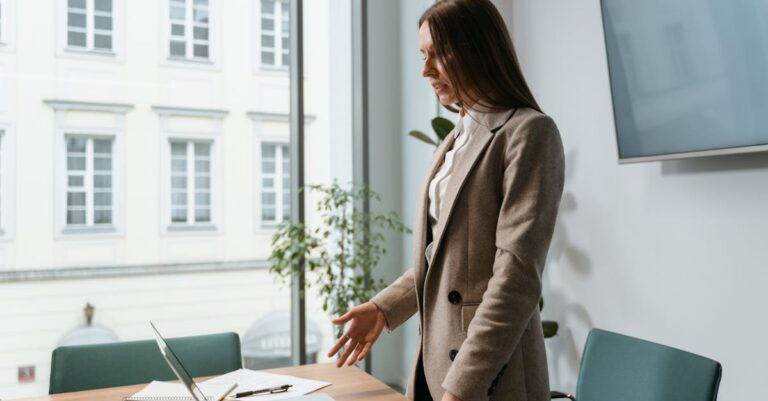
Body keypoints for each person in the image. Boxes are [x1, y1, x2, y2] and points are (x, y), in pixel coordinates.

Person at [326, 1, 565, 400]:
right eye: (423, 56)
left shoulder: (528, 133)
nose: (425, 70)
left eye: (438, 54)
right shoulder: (456, 138)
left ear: (477, 49)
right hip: (437, 361)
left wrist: (462, 387)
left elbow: (516, 279)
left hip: (489, 376)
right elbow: (444, 256)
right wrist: (385, 308)